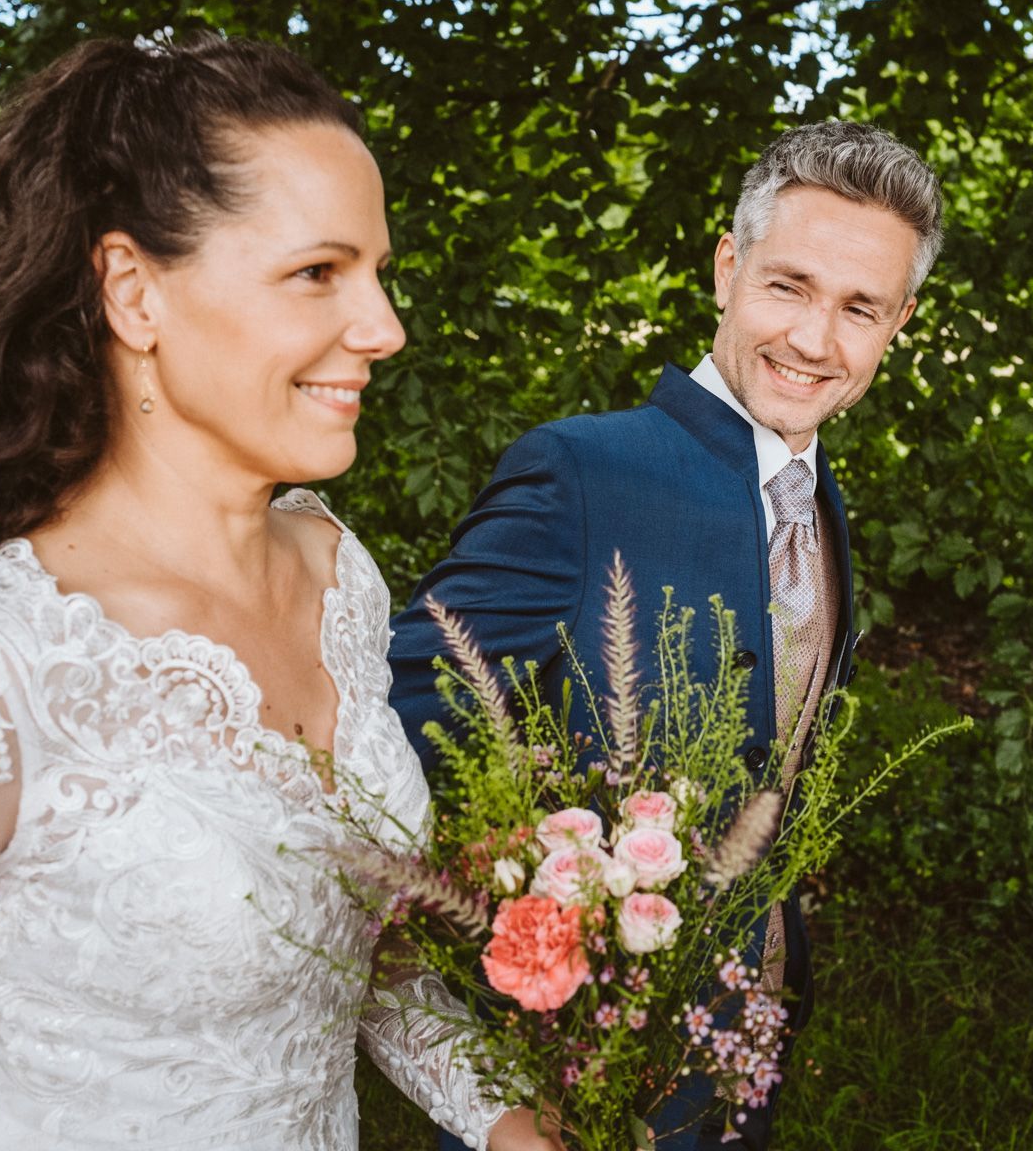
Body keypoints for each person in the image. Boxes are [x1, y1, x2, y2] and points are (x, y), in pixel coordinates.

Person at [0, 32, 560, 1151]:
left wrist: (502, 1113)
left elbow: (349, 943)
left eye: (377, 271)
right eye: (318, 272)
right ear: (133, 290)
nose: (383, 328)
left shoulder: (333, 571)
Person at [388, 120, 943, 1149]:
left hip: (742, 1051)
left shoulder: (822, 506)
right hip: (568, 1071)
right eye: (790, 287)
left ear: (897, 322)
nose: (816, 342)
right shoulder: (580, 472)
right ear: (729, 268)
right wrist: (527, 962)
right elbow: (399, 732)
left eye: (859, 308)